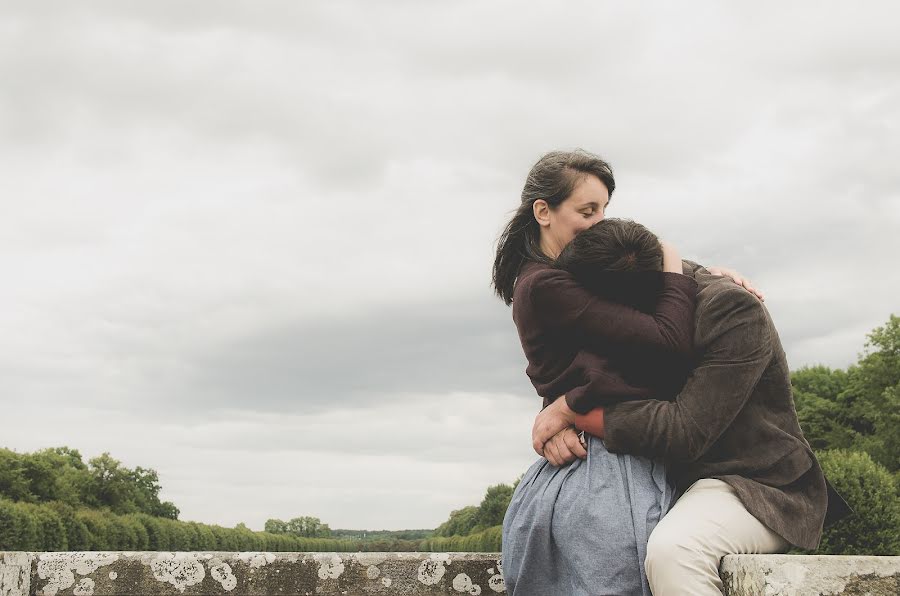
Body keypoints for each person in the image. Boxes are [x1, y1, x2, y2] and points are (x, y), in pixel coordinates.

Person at [493, 149, 759, 596]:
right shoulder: (547, 285)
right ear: (543, 211)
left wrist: (705, 275)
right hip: (605, 471)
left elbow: (630, 288)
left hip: (594, 457)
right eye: (586, 210)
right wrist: (674, 264)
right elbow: (666, 342)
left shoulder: (566, 277)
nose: (599, 223)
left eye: (604, 210)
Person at [530, 227, 849, 593]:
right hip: (658, 481)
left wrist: (571, 415)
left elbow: (685, 431)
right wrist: (560, 424)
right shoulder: (632, 283)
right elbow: (580, 371)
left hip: (750, 484)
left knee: (676, 552)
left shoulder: (733, 310)